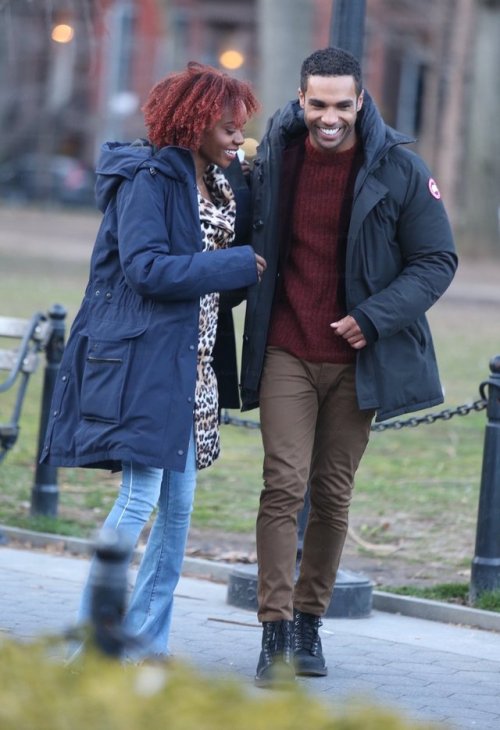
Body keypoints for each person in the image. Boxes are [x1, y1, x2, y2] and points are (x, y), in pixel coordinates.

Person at [239, 47, 458, 687]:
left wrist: (375, 316)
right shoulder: (273, 161)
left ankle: (309, 623)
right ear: (301, 99)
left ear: (360, 101)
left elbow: (437, 261)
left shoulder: (400, 169)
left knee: (331, 493)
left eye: (341, 104)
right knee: (283, 483)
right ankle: (273, 631)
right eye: (317, 104)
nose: (328, 117)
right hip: (285, 347)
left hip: (358, 360)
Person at [40, 61, 265, 661]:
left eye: (240, 127)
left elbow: (211, 272)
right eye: (226, 127)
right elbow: (145, 270)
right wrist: (236, 264)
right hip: (146, 363)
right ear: (193, 125)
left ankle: (143, 644)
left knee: (179, 514)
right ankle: (94, 643)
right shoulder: (148, 181)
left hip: (193, 367)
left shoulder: (218, 181)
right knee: (140, 502)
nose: (237, 138)